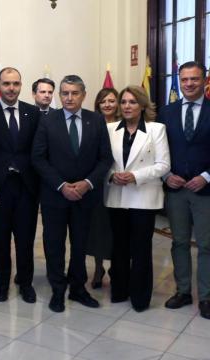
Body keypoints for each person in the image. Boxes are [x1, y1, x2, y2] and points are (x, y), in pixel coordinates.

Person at [31, 75, 113, 313]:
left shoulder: (96, 121)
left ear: (83, 95)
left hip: (85, 197)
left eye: (74, 93)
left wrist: (87, 183)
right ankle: (58, 289)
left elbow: (105, 158)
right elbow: (38, 157)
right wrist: (61, 186)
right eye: (65, 93)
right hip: (55, 196)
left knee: (80, 245)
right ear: (60, 95)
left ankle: (78, 288)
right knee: (54, 244)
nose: (69, 97)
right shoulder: (47, 121)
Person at [0, 67, 40, 303]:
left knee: (25, 239)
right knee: (1, 239)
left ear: (21, 85)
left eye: (15, 84)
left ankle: (26, 284)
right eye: (6, 84)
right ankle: (2, 284)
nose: (11, 88)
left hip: (26, 187)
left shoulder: (33, 113)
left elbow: (38, 151)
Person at [105, 85, 170, 312]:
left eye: (132, 102)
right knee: (119, 248)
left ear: (142, 105)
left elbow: (163, 165)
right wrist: (112, 176)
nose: (126, 106)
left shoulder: (156, 129)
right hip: (116, 196)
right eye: (123, 102)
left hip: (144, 196)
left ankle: (140, 297)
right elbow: (102, 162)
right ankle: (120, 291)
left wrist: (135, 176)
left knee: (141, 249)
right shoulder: (110, 128)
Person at [159, 61, 210, 319]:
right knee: (179, 242)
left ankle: (207, 296)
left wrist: (206, 176)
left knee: (206, 245)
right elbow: (158, 150)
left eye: (195, 79)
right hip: (176, 189)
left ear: (204, 80)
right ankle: (182, 291)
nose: (189, 84)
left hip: (205, 191)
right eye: (185, 79)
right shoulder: (166, 112)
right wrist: (166, 175)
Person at [87, 87, 119, 289]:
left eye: (111, 101)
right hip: (97, 184)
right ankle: (98, 268)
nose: (107, 104)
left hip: (120, 184)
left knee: (117, 228)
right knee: (98, 228)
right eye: (103, 101)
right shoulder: (92, 124)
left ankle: (117, 267)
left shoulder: (125, 124)